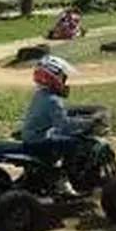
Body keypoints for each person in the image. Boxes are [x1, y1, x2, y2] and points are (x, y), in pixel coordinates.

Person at [20, 55, 93, 197]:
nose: (65, 82)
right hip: (38, 140)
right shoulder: (54, 100)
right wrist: (87, 123)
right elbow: (64, 125)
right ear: (54, 78)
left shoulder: (40, 94)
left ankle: (48, 174)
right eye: (63, 78)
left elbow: (55, 119)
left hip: (31, 136)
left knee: (58, 138)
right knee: (74, 143)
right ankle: (63, 181)